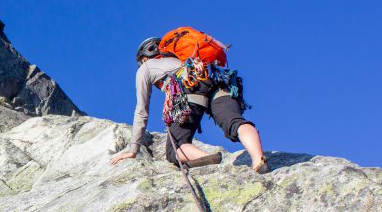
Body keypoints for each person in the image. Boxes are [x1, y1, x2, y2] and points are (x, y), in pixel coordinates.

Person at [109, 36, 270, 173]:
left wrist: (133, 150)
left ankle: (207, 158)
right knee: (234, 122)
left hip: (189, 88)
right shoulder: (183, 58)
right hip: (217, 78)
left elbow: (141, 111)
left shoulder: (145, 68)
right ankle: (258, 160)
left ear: (144, 58)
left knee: (174, 149)